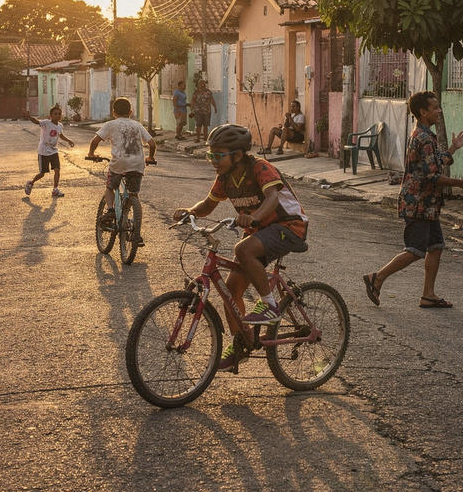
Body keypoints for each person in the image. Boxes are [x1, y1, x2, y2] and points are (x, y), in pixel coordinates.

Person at [173, 123, 310, 371]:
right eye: (210, 155)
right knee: (231, 291)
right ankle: (240, 345)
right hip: (260, 231)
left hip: (289, 227)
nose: (213, 160)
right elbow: (208, 204)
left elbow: (273, 197)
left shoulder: (259, 167)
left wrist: (254, 216)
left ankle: (270, 305)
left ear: (237, 155)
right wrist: (190, 212)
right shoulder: (224, 178)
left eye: (218, 155)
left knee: (242, 249)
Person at [363, 91, 463, 310]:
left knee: (436, 246)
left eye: (438, 106)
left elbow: (434, 163)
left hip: (427, 205)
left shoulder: (425, 136)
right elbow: (431, 176)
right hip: (418, 204)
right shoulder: (424, 137)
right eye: (434, 107)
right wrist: (460, 183)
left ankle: (428, 295)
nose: (439, 111)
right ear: (423, 112)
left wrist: (453, 148)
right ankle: (376, 278)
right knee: (415, 250)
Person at [86, 97, 156, 243]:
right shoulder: (137, 125)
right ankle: (136, 231)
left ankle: (111, 210)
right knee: (134, 195)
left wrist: (91, 154)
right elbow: (152, 143)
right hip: (137, 163)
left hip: (119, 162)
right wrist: (150, 157)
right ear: (131, 112)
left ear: (113, 112)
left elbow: (95, 141)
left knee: (110, 187)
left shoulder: (111, 124)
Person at [24, 105, 75, 197]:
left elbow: (60, 135)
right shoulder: (46, 123)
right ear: (50, 116)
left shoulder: (60, 125)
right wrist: (30, 117)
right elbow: (36, 121)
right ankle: (31, 183)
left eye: (59, 114)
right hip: (43, 151)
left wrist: (69, 141)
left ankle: (55, 189)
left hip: (53, 151)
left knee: (57, 169)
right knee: (42, 173)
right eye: (55, 114)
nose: (57, 116)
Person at [191, 79, 218, 144]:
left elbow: (211, 100)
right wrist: (192, 109)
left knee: (206, 125)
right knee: (198, 125)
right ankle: (198, 138)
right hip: (198, 111)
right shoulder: (196, 92)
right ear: (199, 85)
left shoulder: (208, 92)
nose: (203, 85)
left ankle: (205, 137)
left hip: (206, 111)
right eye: (201, 84)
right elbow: (193, 100)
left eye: (204, 84)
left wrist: (215, 107)